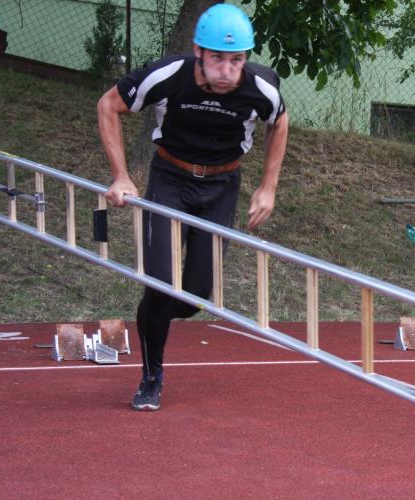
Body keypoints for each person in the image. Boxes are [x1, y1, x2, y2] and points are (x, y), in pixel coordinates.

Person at [97, 4, 288, 410]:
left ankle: (156, 312)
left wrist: (268, 187)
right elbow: (108, 105)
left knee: (198, 294)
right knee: (161, 285)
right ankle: (152, 376)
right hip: (171, 179)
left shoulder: (261, 87)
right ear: (199, 51)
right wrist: (121, 175)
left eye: (237, 60)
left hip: (221, 186)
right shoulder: (167, 75)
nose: (227, 70)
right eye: (218, 58)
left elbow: (279, 121)